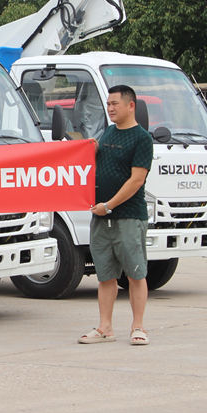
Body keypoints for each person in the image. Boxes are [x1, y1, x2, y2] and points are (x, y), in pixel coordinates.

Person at [79, 84, 154, 346]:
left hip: (128, 217)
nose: (110, 108)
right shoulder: (108, 132)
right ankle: (105, 327)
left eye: (115, 104)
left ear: (130, 105)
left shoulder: (142, 138)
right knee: (105, 275)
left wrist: (109, 205)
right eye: (108, 104)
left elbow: (136, 181)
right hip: (101, 218)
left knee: (135, 273)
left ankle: (138, 327)